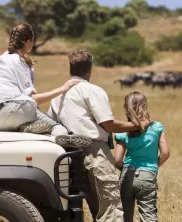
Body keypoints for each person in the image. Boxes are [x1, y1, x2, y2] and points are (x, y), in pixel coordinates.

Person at [48, 49, 150, 222]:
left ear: (70, 69)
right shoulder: (92, 90)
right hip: (95, 152)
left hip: (68, 155)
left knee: (90, 206)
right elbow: (108, 124)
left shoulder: (58, 96)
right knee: (109, 207)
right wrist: (136, 125)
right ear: (90, 69)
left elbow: (51, 123)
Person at [0, 23, 82, 142]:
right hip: (14, 112)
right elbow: (33, 98)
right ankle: (64, 138)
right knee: (54, 124)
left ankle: (21, 126)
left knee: (29, 107)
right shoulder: (19, 61)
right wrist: (62, 89)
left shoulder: (1, 59)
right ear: (28, 42)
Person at [114, 91, 170, 222]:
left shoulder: (124, 131)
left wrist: (125, 167)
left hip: (127, 174)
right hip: (147, 174)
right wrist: (154, 165)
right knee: (148, 216)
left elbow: (117, 160)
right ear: (145, 106)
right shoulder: (156, 127)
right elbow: (165, 153)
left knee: (124, 216)